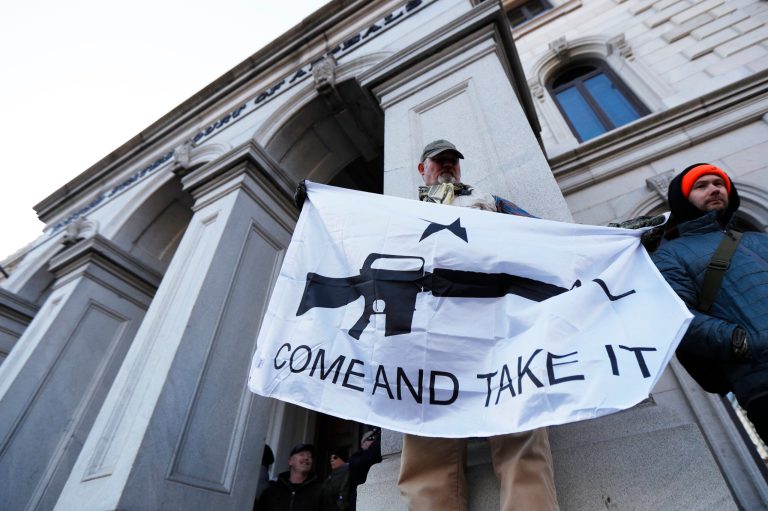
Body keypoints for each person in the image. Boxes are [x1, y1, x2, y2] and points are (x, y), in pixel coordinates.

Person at [398, 140, 559, 511]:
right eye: (439, 163)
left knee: (519, 426)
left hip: (495, 323)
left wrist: (612, 240)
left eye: (453, 161)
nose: (447, 167)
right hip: (430, 330)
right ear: (422, 171)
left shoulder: (492, 201)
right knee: (428, 441)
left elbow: (547, 236)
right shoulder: (401, 212)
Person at [652, 163, 767, 442]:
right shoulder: (670, 255)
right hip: (760, 380)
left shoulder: (758, 241)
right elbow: (679, 315)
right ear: (683, 199)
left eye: (719, 183)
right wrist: (740, 340)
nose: (714, 188)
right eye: (701, 186)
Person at [258, 443, 323, 511]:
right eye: (302, 454)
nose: (306, 458)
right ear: (290, 461)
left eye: (310, 456)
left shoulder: (320, 493)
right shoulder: (271, 492)